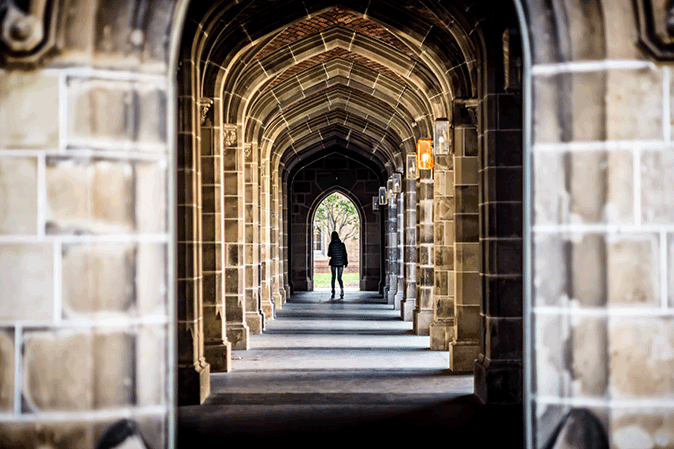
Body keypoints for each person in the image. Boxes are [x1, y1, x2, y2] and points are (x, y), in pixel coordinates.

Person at [327, 231, 348, 299]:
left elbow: (329, 254)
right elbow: (345, 254)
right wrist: (346, 262)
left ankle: (333, 291)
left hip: (333, 262)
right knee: (339, 278)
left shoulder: (331, 244)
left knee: (333, 277)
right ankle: (342, 290)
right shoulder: (342, 244)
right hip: (341, 263)